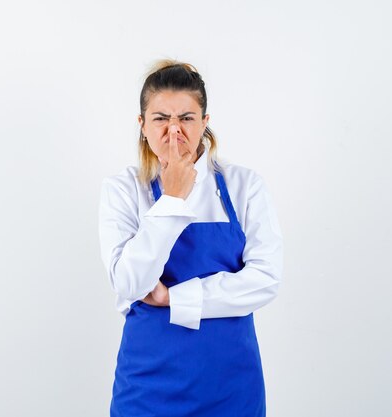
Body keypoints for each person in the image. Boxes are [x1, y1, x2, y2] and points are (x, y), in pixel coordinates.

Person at [98, 59, 284, 417]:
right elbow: (129, 282)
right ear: (142, 125)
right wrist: (172, 199)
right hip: (148, 385)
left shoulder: (244, 186)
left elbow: (265, 279)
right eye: (160, 118)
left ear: (204, 122)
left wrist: (174, 297)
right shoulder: (123, 189)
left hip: (231, 385)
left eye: (186, 118)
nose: (174, 130)